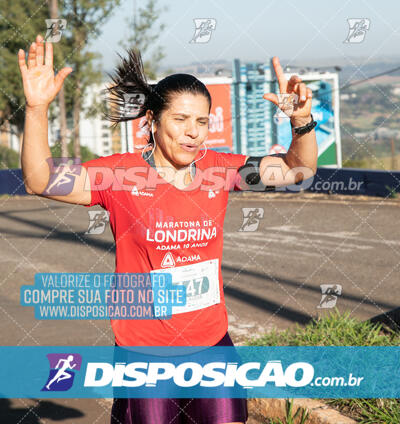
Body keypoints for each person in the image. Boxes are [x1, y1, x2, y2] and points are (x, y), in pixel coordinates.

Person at [19, 34, 318, 424]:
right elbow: (40, 180)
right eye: (180, 119)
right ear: (152, 121)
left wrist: (301, 121)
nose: (193, 132)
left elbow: (299, 169)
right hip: (144, 352)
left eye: (201, 122)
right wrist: (36, 108)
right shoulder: (120, 175)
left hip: (212, 346)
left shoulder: (220, 169)